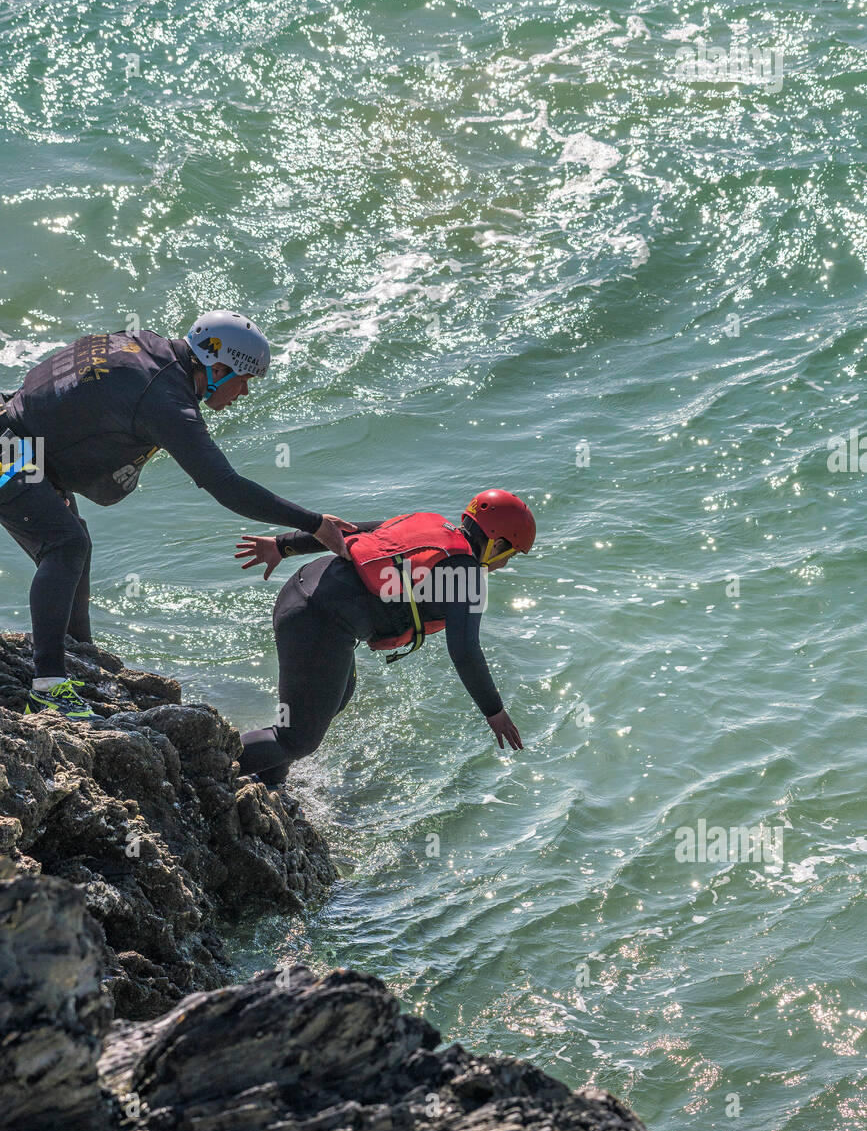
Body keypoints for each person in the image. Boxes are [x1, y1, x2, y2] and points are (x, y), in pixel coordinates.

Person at [0, 310, 352, 721]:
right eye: (244, 380)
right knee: (66, 544)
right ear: (217, 368)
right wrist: (315, 524)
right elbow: (226, 486)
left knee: (74, 542)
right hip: (12, 453)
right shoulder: (164, 398)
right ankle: (49, 688)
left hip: (24, 444)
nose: (244, 393)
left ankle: (79, 656)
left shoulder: (148, 347)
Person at [234, 489, 536, 787]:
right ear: (496, 544)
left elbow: (344, 531)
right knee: (297, 739)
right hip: (318, 621)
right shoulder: (466, 575)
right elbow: (465, 651)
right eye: (509, 555)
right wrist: (494, 711)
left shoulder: (429, 524)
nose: (504, 564)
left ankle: (270, 775)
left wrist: (283, 546)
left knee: (335, 699)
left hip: (301, 590)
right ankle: (209, 764)